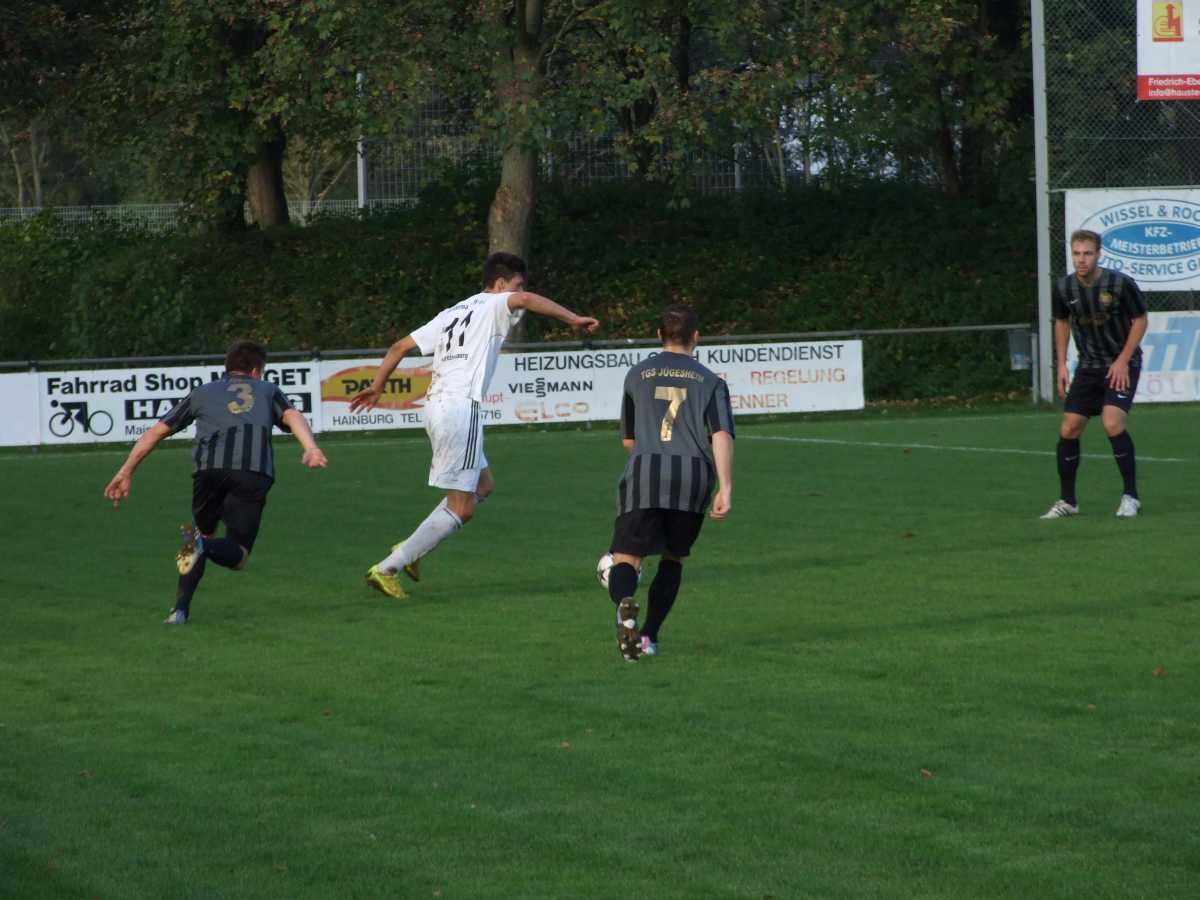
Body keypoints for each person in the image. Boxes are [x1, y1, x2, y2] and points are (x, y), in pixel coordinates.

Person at [349, 251, 599, 598]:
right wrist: (573, 319)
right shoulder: (495, 304)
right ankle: (389, 566)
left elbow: (398, 347)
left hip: (437, 406)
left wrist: (377, 386)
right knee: (463, 508)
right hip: (459, 409)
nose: (519, 294)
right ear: (500, 283)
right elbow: (526, 300)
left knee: (484, 485)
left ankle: (411, 548)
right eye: (516, 285)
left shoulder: (451, 312)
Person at [103, 339, 328, 623]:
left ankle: (179, 610)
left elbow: (156, 432)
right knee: (238, 557)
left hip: (207, 473)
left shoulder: (202, 392)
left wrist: (125, 472)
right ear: (256, 371)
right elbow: (292, 415)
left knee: (200, 534)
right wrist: (311, 447)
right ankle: (202, 547)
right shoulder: (267, 389)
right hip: (251, 471)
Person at [604, 304, 735, 661]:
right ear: (696, 337)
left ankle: (625, 605)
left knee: (626, 557)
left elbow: (629, 440)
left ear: (659, 335)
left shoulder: (637, 375)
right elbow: (721, 434)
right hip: (692, 476)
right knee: (674, 557)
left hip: (646, 470)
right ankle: (649, 637)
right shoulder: (711, 381)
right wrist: (725, 487)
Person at [1042, 229, 1148, 519]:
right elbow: (1061, 322)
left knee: (1112, 423)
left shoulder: (1120, 283)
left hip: (1122, 364)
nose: (1081, 259)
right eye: (1076, 253)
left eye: (1087, 253)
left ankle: (1131, 497)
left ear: (1099, 254)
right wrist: (1062, 364)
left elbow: (1140, 320)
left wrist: (1123, 360)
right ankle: (1068, 501)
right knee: (1069, 428)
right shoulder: (1064, 288)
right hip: (1089, 366)